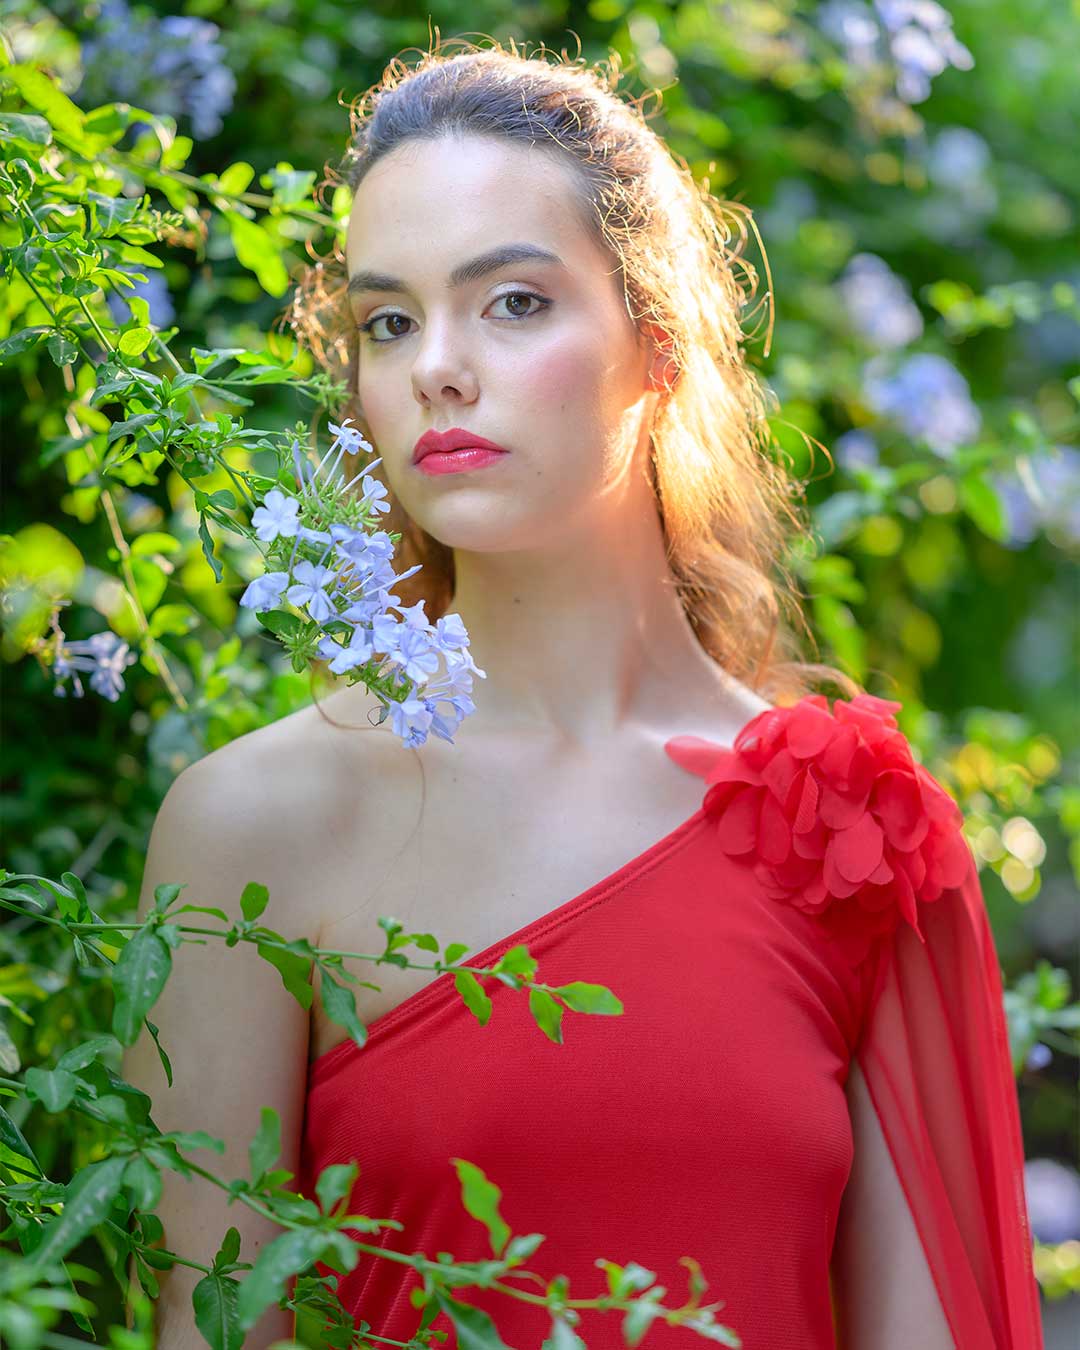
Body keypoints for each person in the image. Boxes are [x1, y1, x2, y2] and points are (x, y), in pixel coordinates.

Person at [127, 37, 1043, 1350]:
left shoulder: (853, 833)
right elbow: (212, 1322)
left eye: (512, 302)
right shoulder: (254, 828)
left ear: (657, 346)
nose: (440, 364)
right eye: (390, 321)